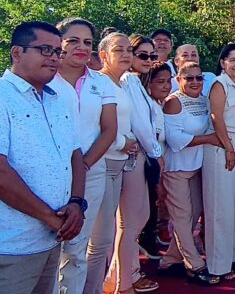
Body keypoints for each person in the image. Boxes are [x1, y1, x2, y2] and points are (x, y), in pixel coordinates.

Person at [0, 21, 84, 294]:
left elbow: (75, 155)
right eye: (45, 49)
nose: (53, 57)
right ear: (16, 53)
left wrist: (76, 202)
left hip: (48, 243)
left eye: (58, 52)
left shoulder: (58, 101)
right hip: (1, 249)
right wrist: (50, 217)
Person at [50, 18, 118, 294]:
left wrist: (85, 165)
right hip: (48, 174)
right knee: (49, 247)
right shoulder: (44, 78)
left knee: (78, 247)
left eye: (87, 42)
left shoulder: (100, 83)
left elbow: (109, 129)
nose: (81, 47)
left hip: (91, 172)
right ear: (59, 44)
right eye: (73, 40)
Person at [110, 35, 164, 294]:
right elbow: (141, 124)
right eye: (142, 55)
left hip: (141, 154)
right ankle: (124, 281)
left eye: (152, 56)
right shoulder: (128, 80)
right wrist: (156, 154)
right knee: (130, 222)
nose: (149, 60)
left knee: (137, 218)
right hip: (134, 156)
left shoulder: (137, 83)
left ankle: (124, 274)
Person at [159, 61, 221, 285]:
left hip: (196, 167)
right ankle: (195, 266)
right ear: (179, 80)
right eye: (189, 78)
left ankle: (169, 261)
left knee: (193, 214)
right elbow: (175, 140)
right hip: (176, 167)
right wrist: (210, 139)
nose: (195, 82)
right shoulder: (174, 103)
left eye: (198, 78)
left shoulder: (204, 100)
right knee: (182, 218)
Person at [84, 33, 137, 294]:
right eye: (119, 50)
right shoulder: (98, 83)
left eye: (129, 49)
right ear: (103, 55)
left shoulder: (123, 83)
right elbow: (93, 124)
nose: (126, 54)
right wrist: (121, 142)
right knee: (99, 240)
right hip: (101, 164)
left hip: (119, 165)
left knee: (106, 237)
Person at [202, 44, 235, 281]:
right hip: (222, 145)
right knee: (220, 207)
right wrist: (229, 148)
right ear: (223, 62)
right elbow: (216, 117)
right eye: (233, 60)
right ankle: (217, 265)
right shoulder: (219, 84)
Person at [140, 63, 173, 261]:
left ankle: (150, 237)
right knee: (148, 203)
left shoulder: (159, 104)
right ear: (148, 83)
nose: (166, 86)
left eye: (169, 81)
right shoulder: (148, 106)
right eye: (160, 82)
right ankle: (146, 240)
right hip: (148, 161)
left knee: (154, 202)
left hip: (158, 160)